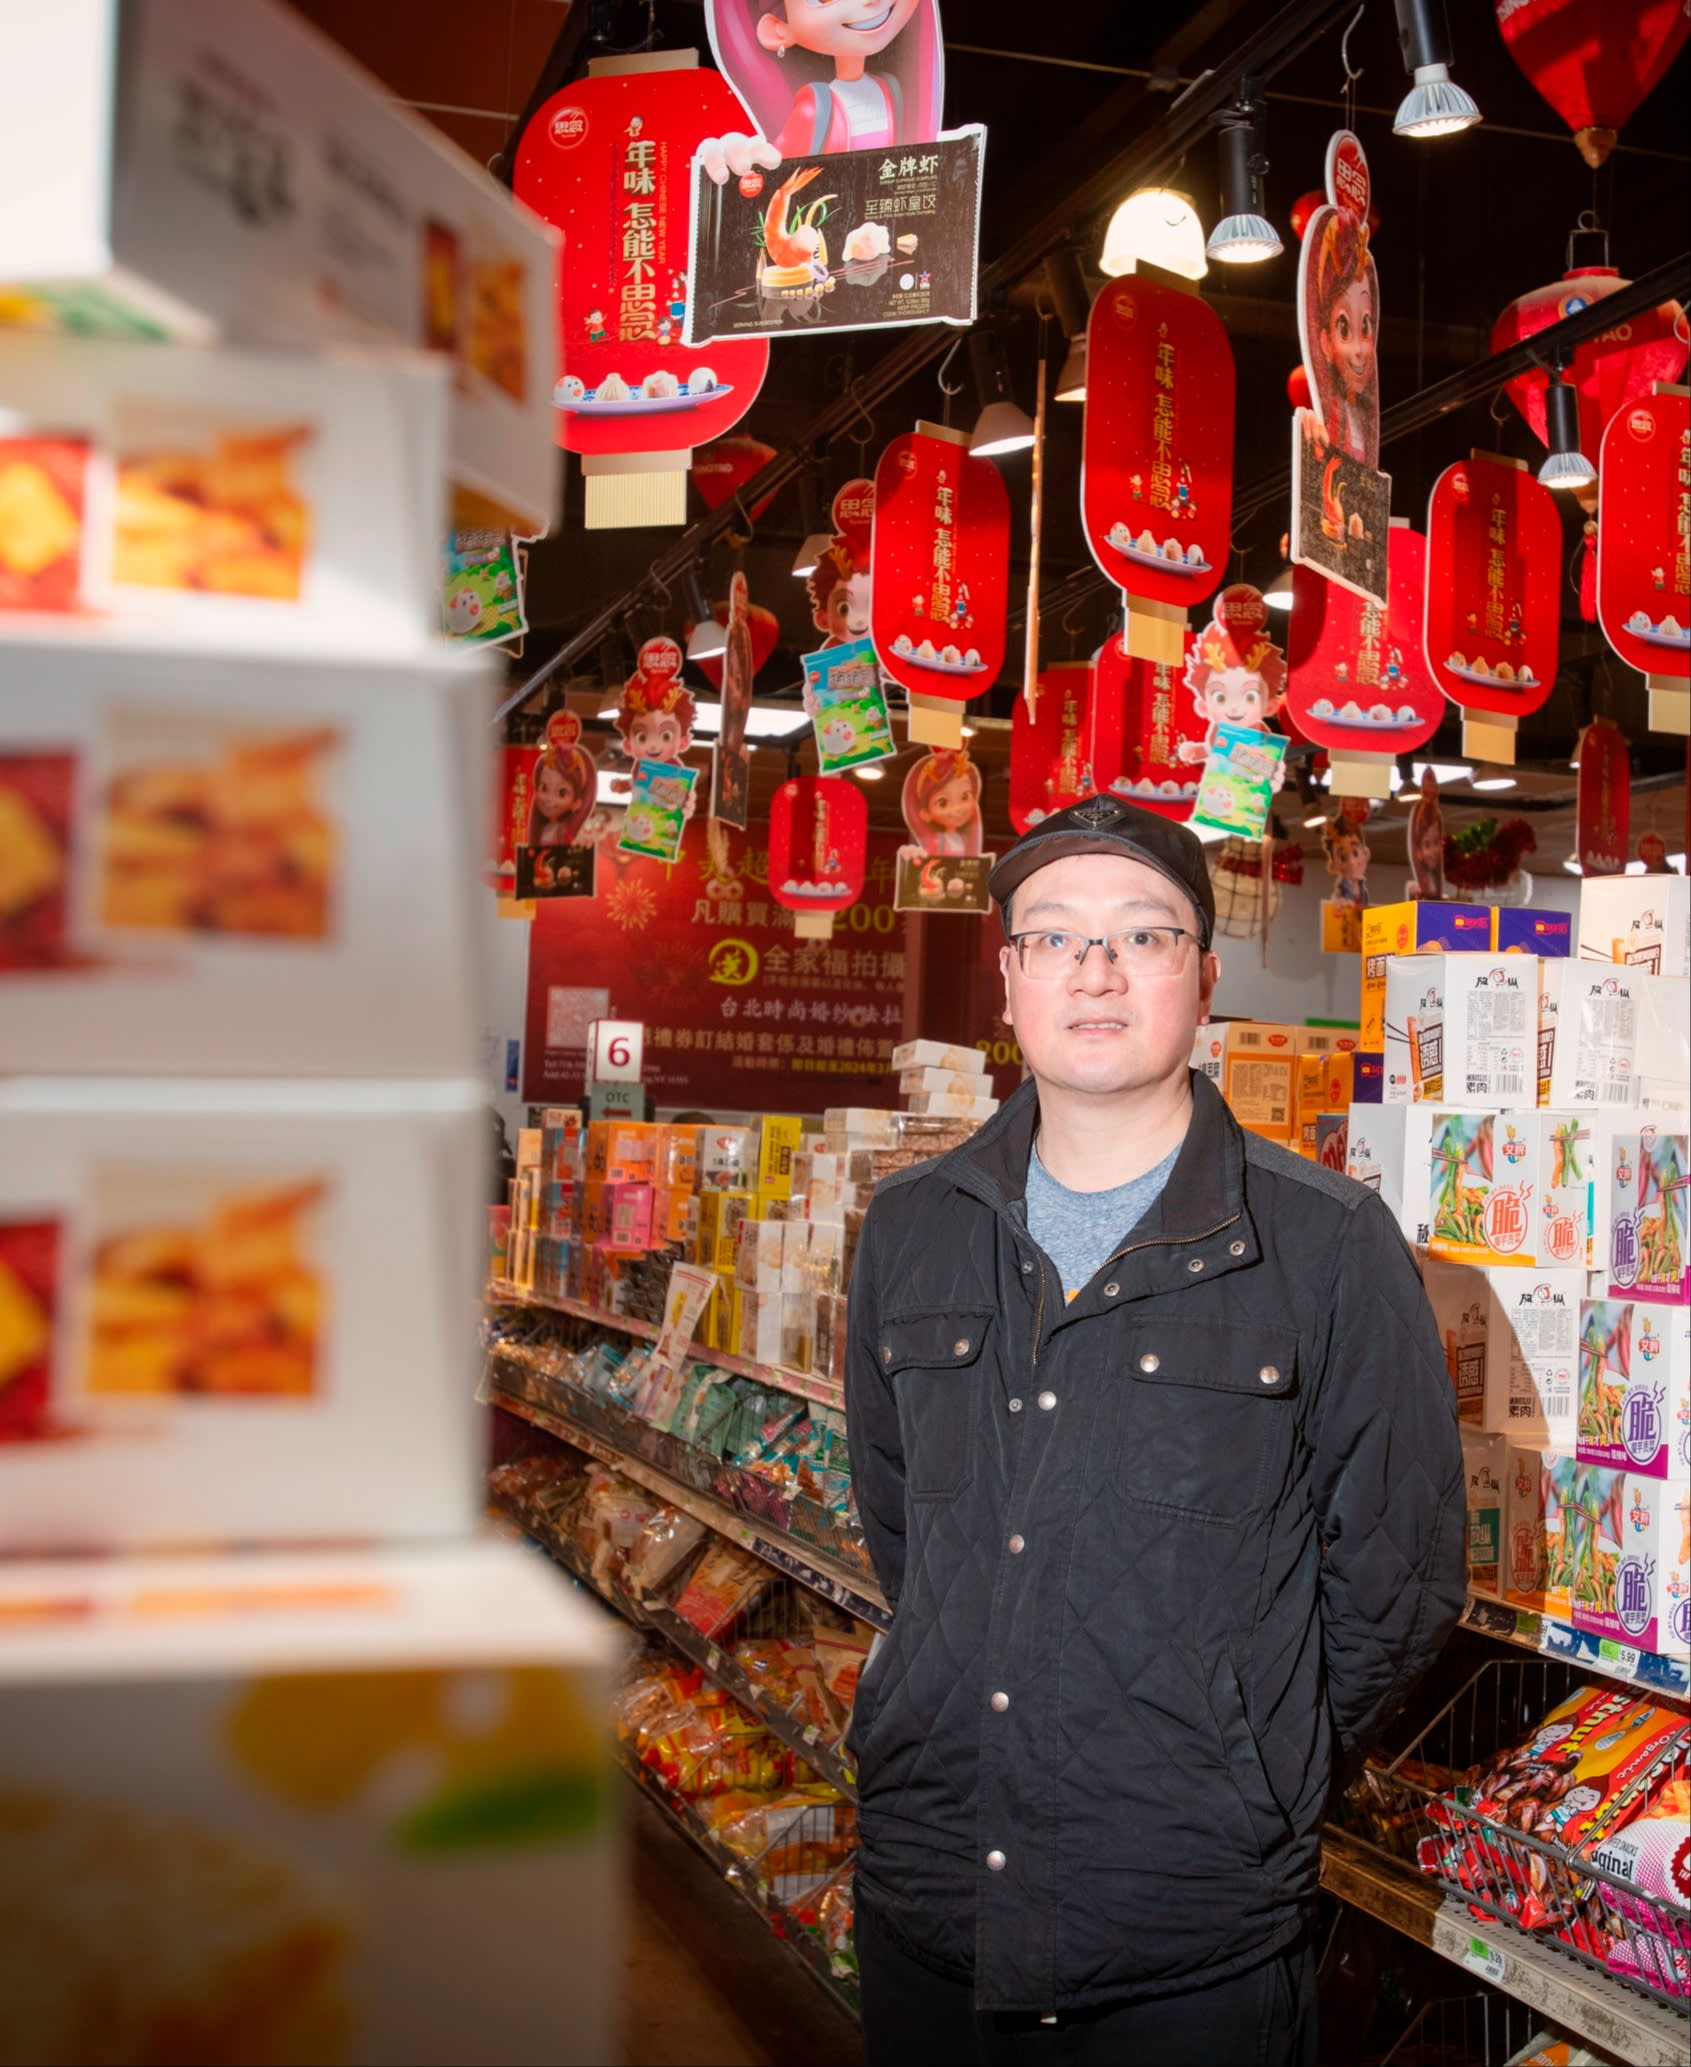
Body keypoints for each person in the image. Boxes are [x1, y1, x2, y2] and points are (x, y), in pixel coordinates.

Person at [844, 792, 1465, 2066]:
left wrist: (1244, 1749)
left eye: (1141, 936)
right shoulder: (910, 1228)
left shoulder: (1326, 1244)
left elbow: (1398, 1577)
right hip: (932, 1895)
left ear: (1203, 978)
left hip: (1187, 1931)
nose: (1096, 972)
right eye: (1054, 938)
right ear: (1007, 979)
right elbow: (902, 1525)